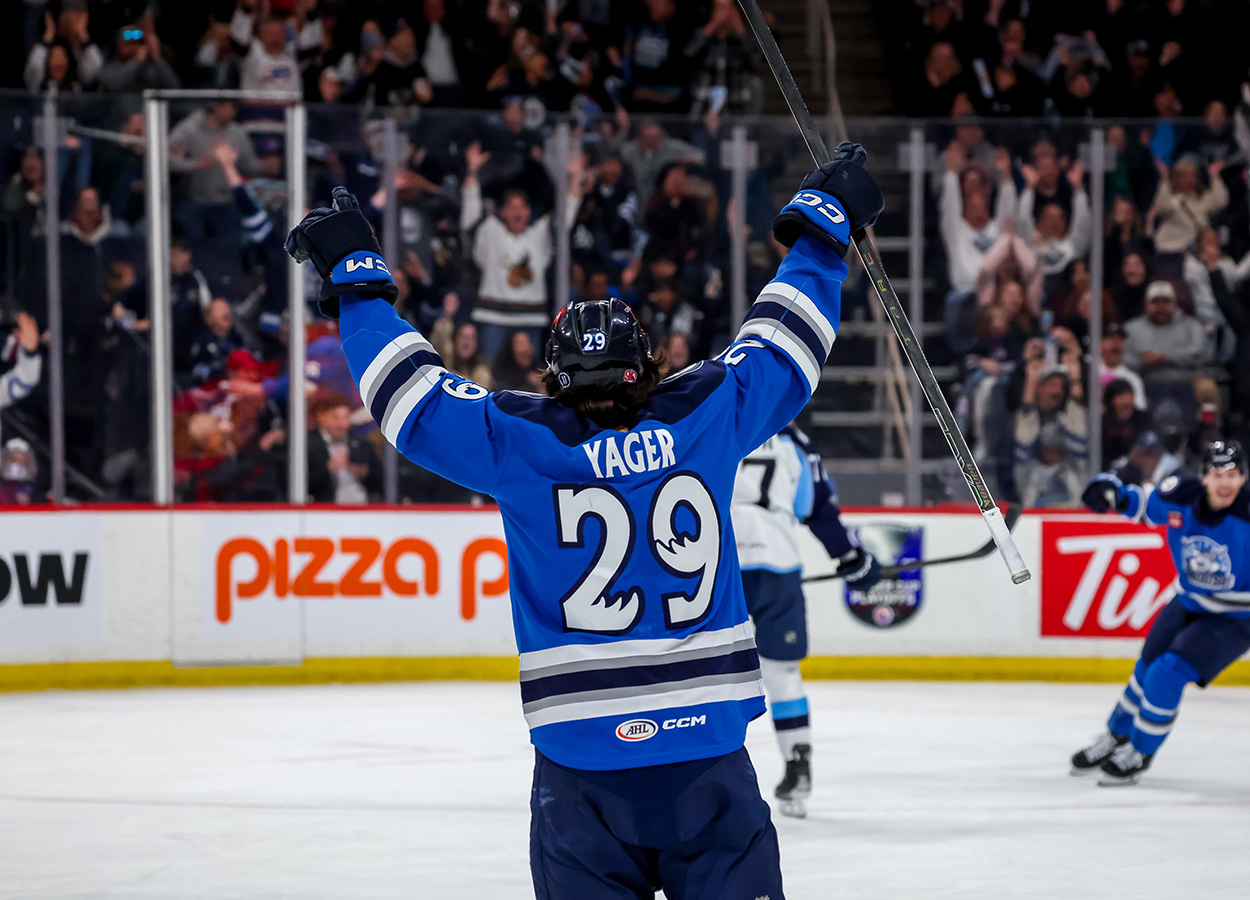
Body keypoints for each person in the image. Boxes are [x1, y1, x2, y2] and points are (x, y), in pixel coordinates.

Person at [284, 143, 883, 899]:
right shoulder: (707, 412)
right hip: (708, 759)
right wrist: (824, 227)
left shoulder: (518, 441)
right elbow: (786, 343)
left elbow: (411, 399)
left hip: (581, 776)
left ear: (554, 377)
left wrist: (359, 279)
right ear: (649, 364)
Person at [1071, 440, 1250, 786]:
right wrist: (1109, 490)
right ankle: (1116, 736)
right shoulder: (1180, 495)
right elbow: (1135, 502)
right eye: (1217, 474)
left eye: (1233, 475)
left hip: (1238, 617)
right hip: (1188, 601)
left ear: (1243, 478)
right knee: (1145, 670)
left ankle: (1140, 751)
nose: (1225, 483)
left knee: (1167, 673)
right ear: (1204, 477)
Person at [730, 424, 880, 818]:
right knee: (782, 672)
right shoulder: (793, 441)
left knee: (702, 672)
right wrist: (850, 557)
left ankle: (697, 770)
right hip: (777, 564)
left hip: (715, 565)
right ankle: (797, 765)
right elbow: (816, 506)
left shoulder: (712, 417)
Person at [307, 394, 383, 504]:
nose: (342, 424)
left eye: (345, 418)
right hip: (324, 510)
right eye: (335, 418)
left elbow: (383, 482)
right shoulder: (308, 447)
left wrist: (364, 473)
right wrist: (328, 470)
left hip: (364, 508)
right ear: (321, 416)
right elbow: (298, 484)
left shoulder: (363, 446)